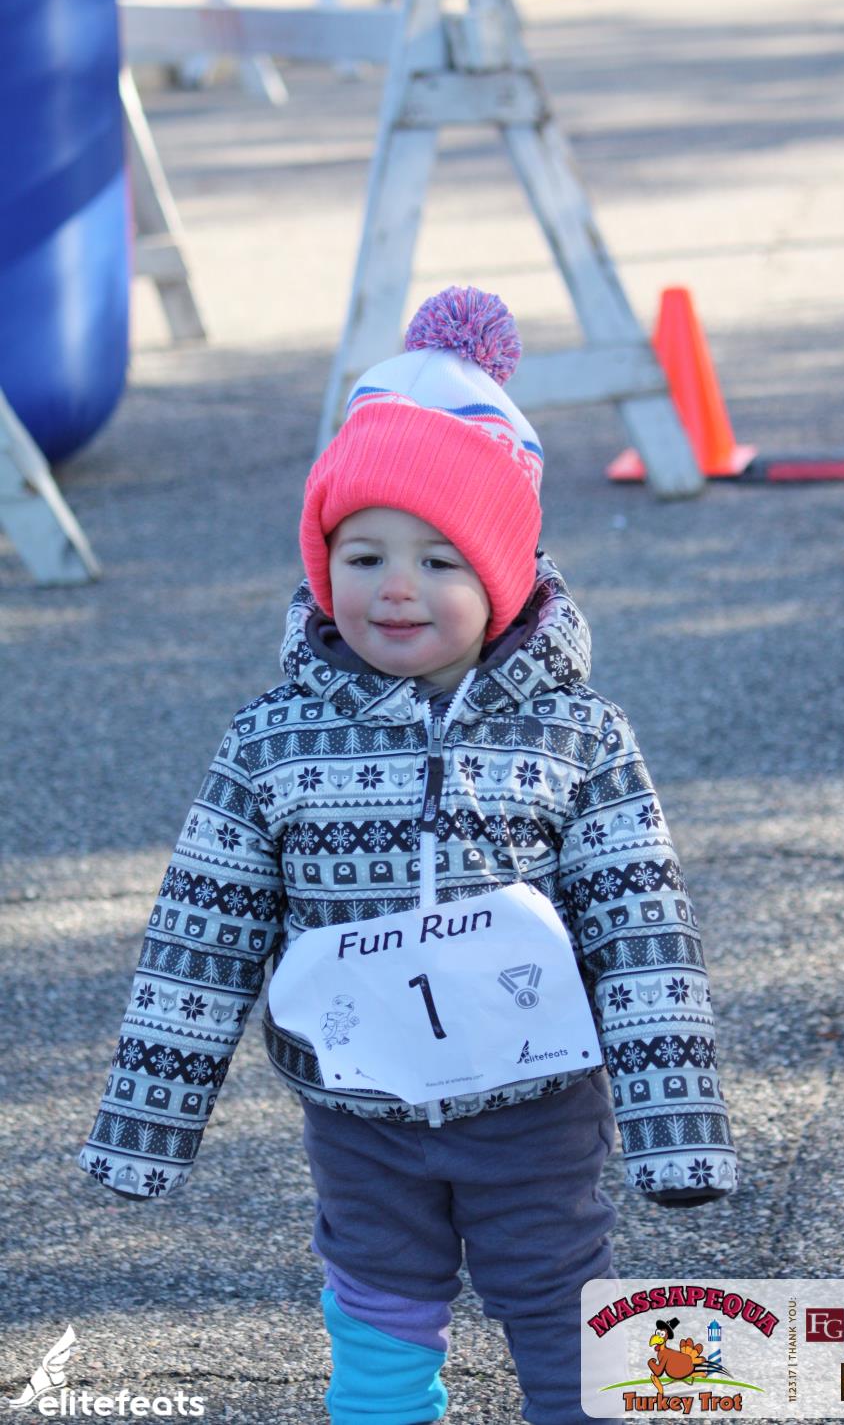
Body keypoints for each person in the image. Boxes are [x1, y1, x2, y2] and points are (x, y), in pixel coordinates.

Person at [79, 286, 738, 1425]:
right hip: (361, 1103)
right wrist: (147, 1126)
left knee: (559, 1301)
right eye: (364, 552)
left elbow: (641, 934)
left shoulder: (575, 737)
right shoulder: (274, 742)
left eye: (440, 560)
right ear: (321, 561)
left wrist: (675, 1130)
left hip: (533, 1101)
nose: (395, 587)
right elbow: (202, 935)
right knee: (378, 1305)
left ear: (504, 575)